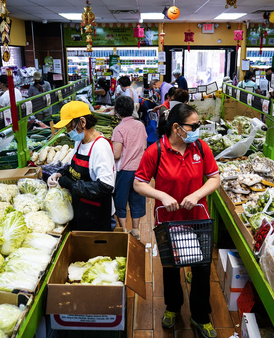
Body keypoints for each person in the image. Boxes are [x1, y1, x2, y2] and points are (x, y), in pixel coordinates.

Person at [134, 103, 220, 338]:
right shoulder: (156, 151)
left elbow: (214, 178)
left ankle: (200, 316)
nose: (197, 130)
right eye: (193, 126)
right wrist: (161, 195)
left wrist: (197, 194)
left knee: (201, 269)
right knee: (171, 268)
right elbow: (138, 182)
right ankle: (173, 307)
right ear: (176, 127)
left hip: (197, 219)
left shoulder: (200, 148)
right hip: (169, 221)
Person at [47, 101, 116, 231]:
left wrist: (71, 185)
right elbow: (73, 166)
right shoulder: (80, 142)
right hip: (82, 210)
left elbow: (106, 185)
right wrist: (60, 173)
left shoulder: (100, 147)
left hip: (97, 215)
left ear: (82, 122)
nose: (67, 131)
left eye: (69, 127)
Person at [111, 96, 147, 238]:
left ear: (118, 113)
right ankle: (136, 230)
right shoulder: (140, 125)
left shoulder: (118, 129)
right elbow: (144, 146)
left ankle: (124, 230)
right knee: (137, 199)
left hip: (124, 171)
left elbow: (117, 154)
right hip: (139, 170)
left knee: (120, 200)